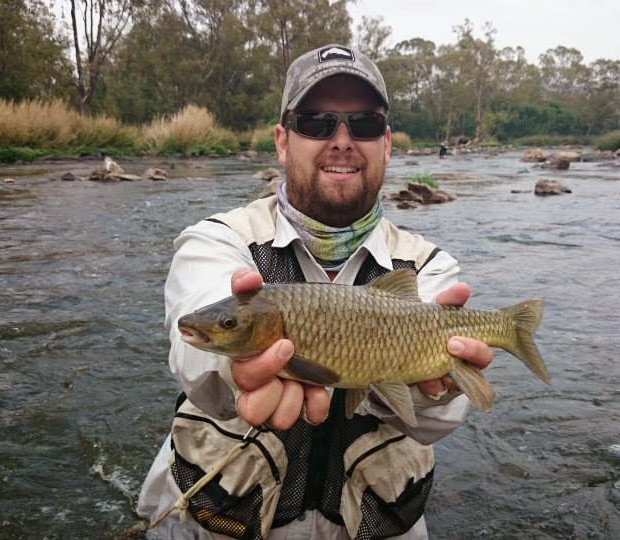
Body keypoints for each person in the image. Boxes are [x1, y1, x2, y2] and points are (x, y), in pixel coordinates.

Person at [137, 44, 493, 540]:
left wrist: (436, 386)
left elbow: (435, 422)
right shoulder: (219, 240)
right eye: (316, 121)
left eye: (364, 124)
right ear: (282, 141)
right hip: (222, 521)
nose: (342, 141)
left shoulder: (430, 267)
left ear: (386, 144)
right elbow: (195, 354)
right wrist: (236, 370)